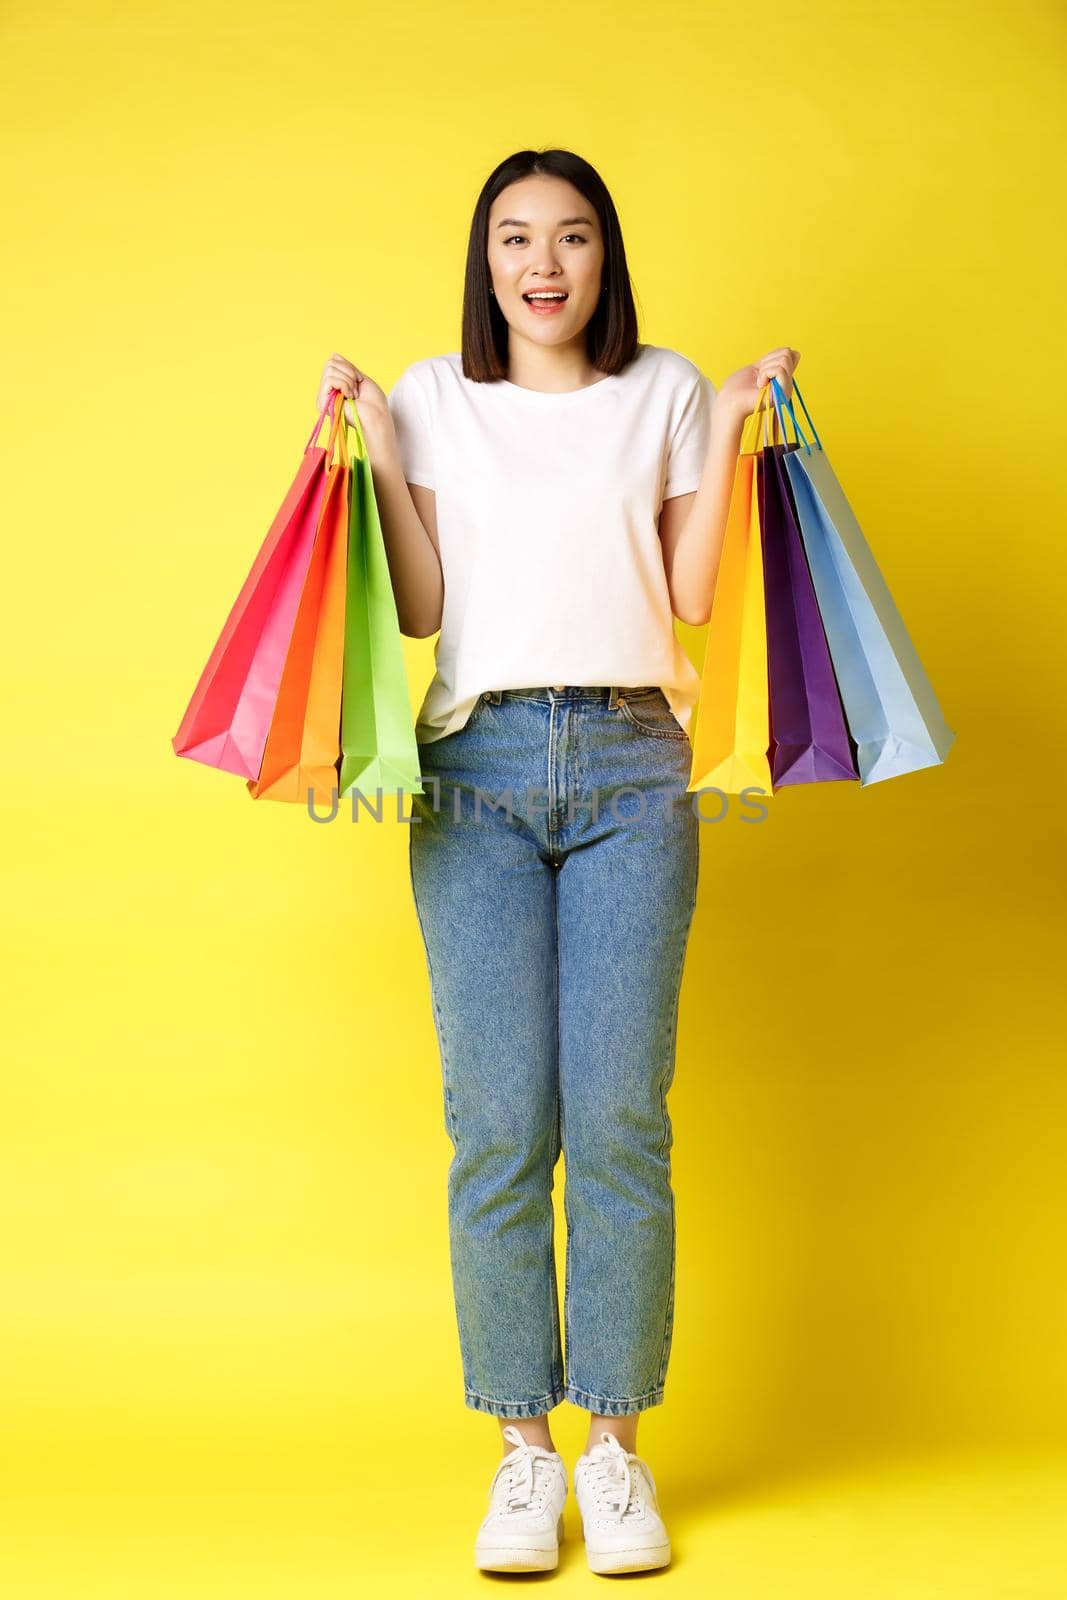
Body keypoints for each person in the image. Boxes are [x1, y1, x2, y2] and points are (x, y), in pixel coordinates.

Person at [316, 146, 798, 1577]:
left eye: (571, 237)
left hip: (636, 768)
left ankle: (618, 1457)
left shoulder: (659, 392)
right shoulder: (432, 396)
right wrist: (380, 458)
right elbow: (419, 604)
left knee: (622, 1119)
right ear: (485, 261)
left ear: (606, 257)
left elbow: (697, 593)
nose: (541, 264)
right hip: (473, 771)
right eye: (515, 238)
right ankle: (524, 1456)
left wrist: (724, 425)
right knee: (502, 1125)